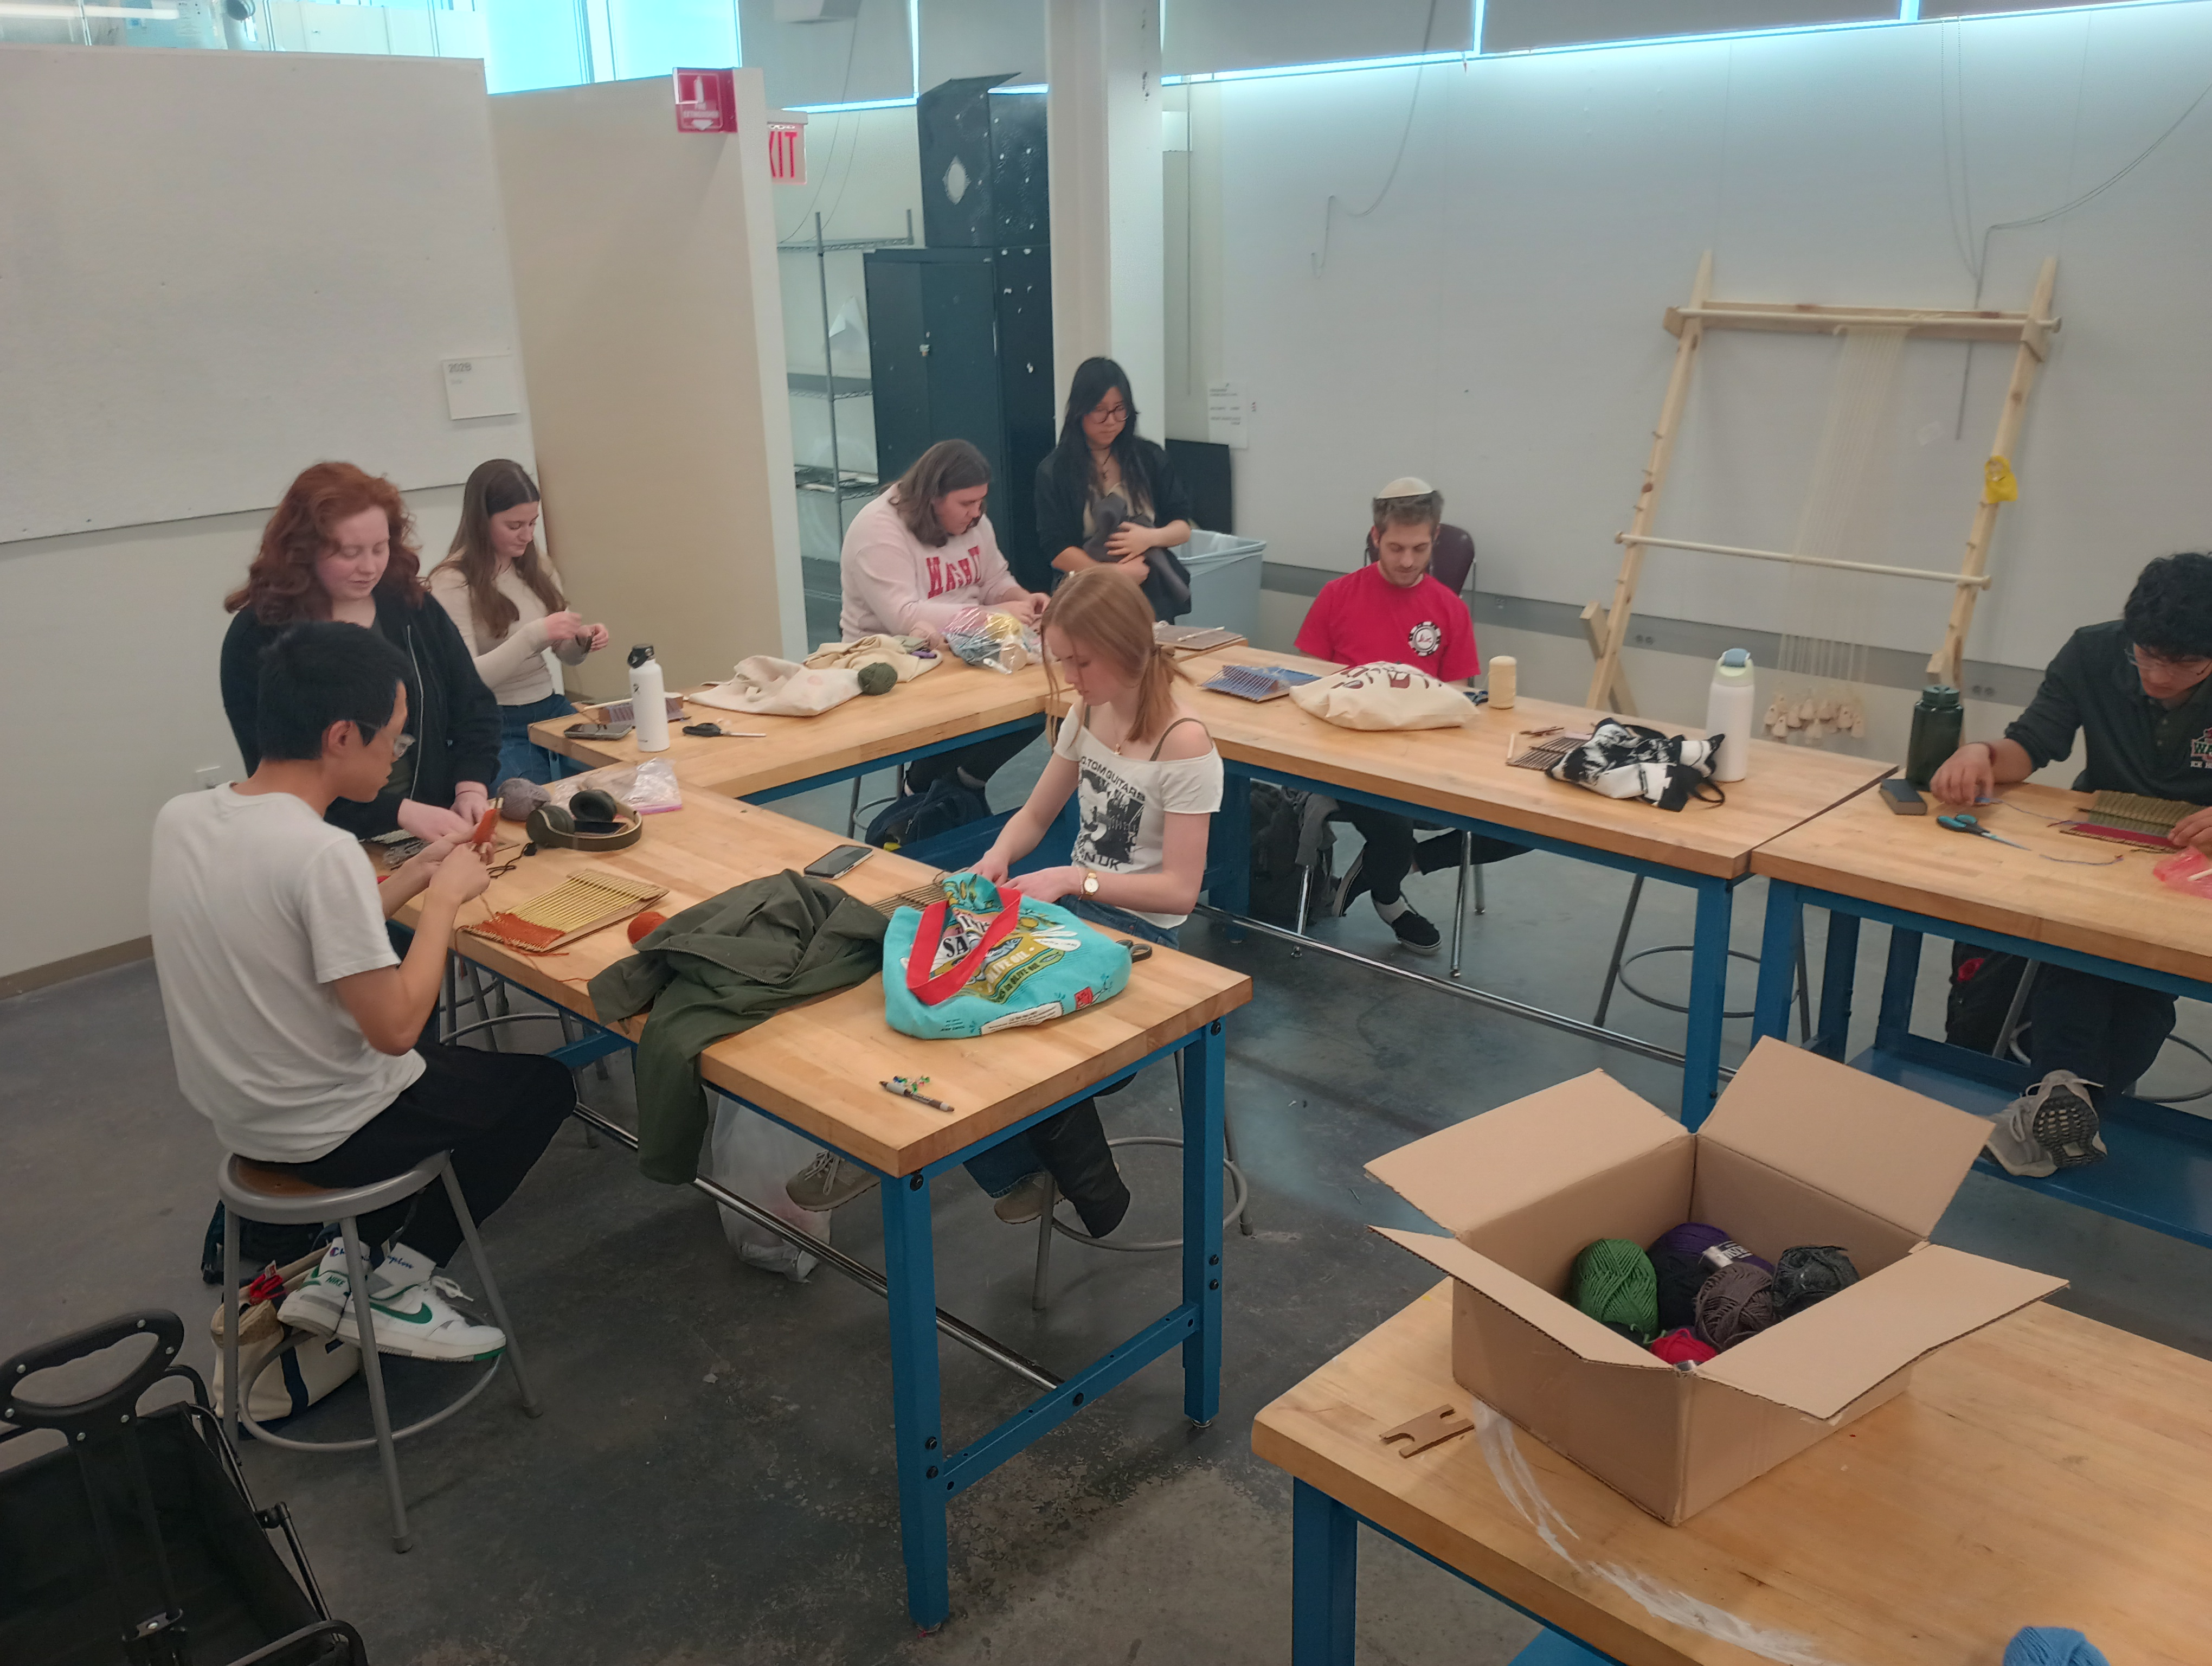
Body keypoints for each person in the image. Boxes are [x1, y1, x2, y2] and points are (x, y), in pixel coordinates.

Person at [153, 623, 575, 1359]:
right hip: (328, 1133)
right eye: (395, 742)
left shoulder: (186, 819)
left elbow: (291, 929)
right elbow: (397, 1030)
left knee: (458, 1085)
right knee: (541, 1090)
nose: (397, 761)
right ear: (343, 736)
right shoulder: (321, 853)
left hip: (239, 1118)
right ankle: (401, 1287)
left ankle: (345, 1271)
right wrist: (443, 901)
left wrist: (413, 875)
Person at [787, 568, 1222, 1234]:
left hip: (1142, 937)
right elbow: (1036, 812)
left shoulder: (1183, 742)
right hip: (1076, 915)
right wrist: (998, 857)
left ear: (1128, 648)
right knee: (932, 985)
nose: (1071, 676)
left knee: (985, 1011)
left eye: (1081, 661)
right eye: (1065, 661)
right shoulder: (1089, 711)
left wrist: (1076, 881)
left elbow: (1180, 893)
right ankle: (1028, 1171)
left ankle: (1054, 1177)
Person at [1929, 550, 2212, 1175]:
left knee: (2143, 978)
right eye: (2148, 655)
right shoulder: (2093, 652)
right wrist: (1978, 752)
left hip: (2194, 870)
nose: (2160, 676)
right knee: (2080, 950)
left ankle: (2062, 1096)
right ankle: (2068, 1097)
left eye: (2185, 664)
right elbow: (2032, 745)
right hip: (2103, 846)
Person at [1293, 478, 1521, 953]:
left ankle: (1398, 866)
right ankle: (1390, 893)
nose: (1407, 561)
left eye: (1420, 548)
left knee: (1529, 820)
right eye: (1395, 547)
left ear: (1435, 538)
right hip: (1349, 759)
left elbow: (1456, 702)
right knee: (1390, 819)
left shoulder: (1448, 609)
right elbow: (1310, 690)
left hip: (1423, 759)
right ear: (1375, 538)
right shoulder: (1337, 596)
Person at [221, 462, 499, 841]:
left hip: (431, 824)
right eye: (350, 553)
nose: (369, 568)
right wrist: (398, 813)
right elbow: (282, 774)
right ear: (304, 551)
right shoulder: (259, 636)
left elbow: (474, 707)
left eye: (380, 548)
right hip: (323, 839)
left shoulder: (411, 607)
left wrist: (471, 785)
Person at [840, 438, 1049, 798]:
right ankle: (930, 793)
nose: (977, 512)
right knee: (980, 708)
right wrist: (996, 615)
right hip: (900, 660)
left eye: (981, 501)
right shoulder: (877, 529)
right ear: (932, 497)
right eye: (967, 503)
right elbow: (904, 617)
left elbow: (994, 580)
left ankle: (955, 788)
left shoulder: (974, 520)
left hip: (967, 650)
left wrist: (1024, 600)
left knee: (1048, 694)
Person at [428, 459, 609, 786]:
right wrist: (534, 635)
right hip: (493, 720)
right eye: (514, 526)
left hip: (549, 706)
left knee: (614, 782)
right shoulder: (452, 581)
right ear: (481, 521)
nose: (527, 535)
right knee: (532, 802)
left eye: (532, 523)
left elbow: (564, 654)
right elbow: (466, 680)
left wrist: (579, 640)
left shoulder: (536, 566)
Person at [1034, 357, 1194, 618]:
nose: (1111, 420)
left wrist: (1149, 538)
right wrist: (1112, 575)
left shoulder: (1150, 457)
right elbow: (1056, 549)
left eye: (1120, 409)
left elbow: (1182, 527)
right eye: (1100, 410)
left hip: (1150, 595)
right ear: (1079, 410)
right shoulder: (1055, 470)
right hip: (1086, 596)